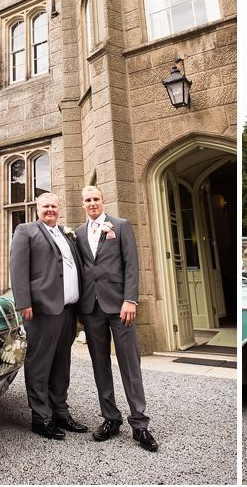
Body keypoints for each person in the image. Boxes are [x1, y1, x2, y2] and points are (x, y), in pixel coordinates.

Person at [74, 185, 159, 452]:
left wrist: (130, 299)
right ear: (83, 204)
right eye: (87, 200)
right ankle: (110, 418)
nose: (91, 203)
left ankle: (140, 424)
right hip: (91, 308)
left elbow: (131, 264)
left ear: (103, 200)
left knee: (129, 363)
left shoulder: (120, 226)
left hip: (120, 306)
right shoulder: (77, 233)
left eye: (95, 199)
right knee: (100, 365)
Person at [10, 193, 88, 440]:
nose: (50, 210)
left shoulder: (66, 234)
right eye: (46, 206)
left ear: (59, 208)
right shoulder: (26, 231)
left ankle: (60, 413)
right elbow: (18, 268)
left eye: (54, 206)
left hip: (68, 310)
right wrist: (24, 302)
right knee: (40, 364)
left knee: (62, 364)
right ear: (37, 209)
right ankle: (41, 418)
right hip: (42, 310)